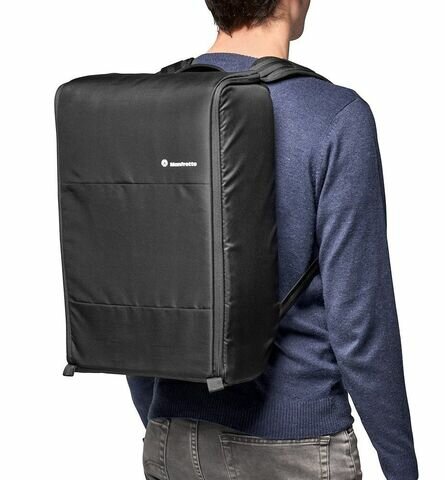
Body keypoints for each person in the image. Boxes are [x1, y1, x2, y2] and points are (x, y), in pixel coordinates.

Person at [128, 1, 418, 479]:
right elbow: (361, 328)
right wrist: (402, 467)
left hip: (175, 440)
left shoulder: (147, 105)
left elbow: (137, 293)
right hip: (297, 447)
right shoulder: (335, 117)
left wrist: (163, 415)